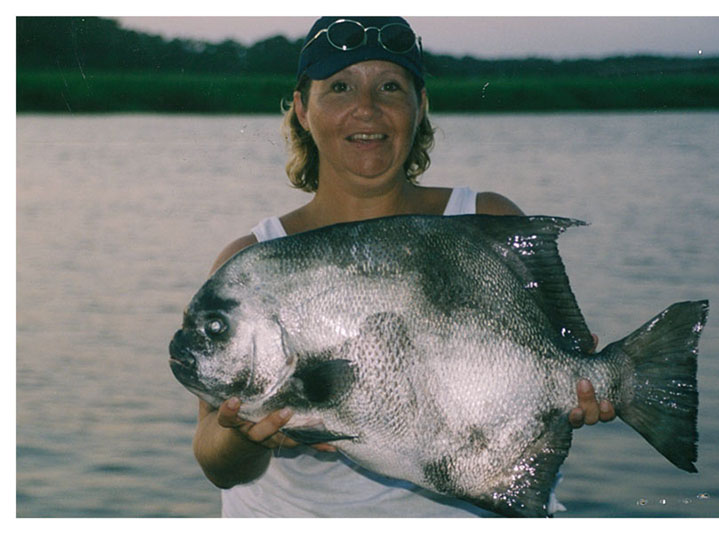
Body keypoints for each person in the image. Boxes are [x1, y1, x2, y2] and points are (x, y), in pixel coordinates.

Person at [192, 16, 615, 517]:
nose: (365, 108)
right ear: (303, 110)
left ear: (420, 107)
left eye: (390, 87)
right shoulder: (252, 265)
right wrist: (248, 436)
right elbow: (218, 463)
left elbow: (554, 356)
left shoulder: (487, 220)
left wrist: (584, 385)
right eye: (341, 86)